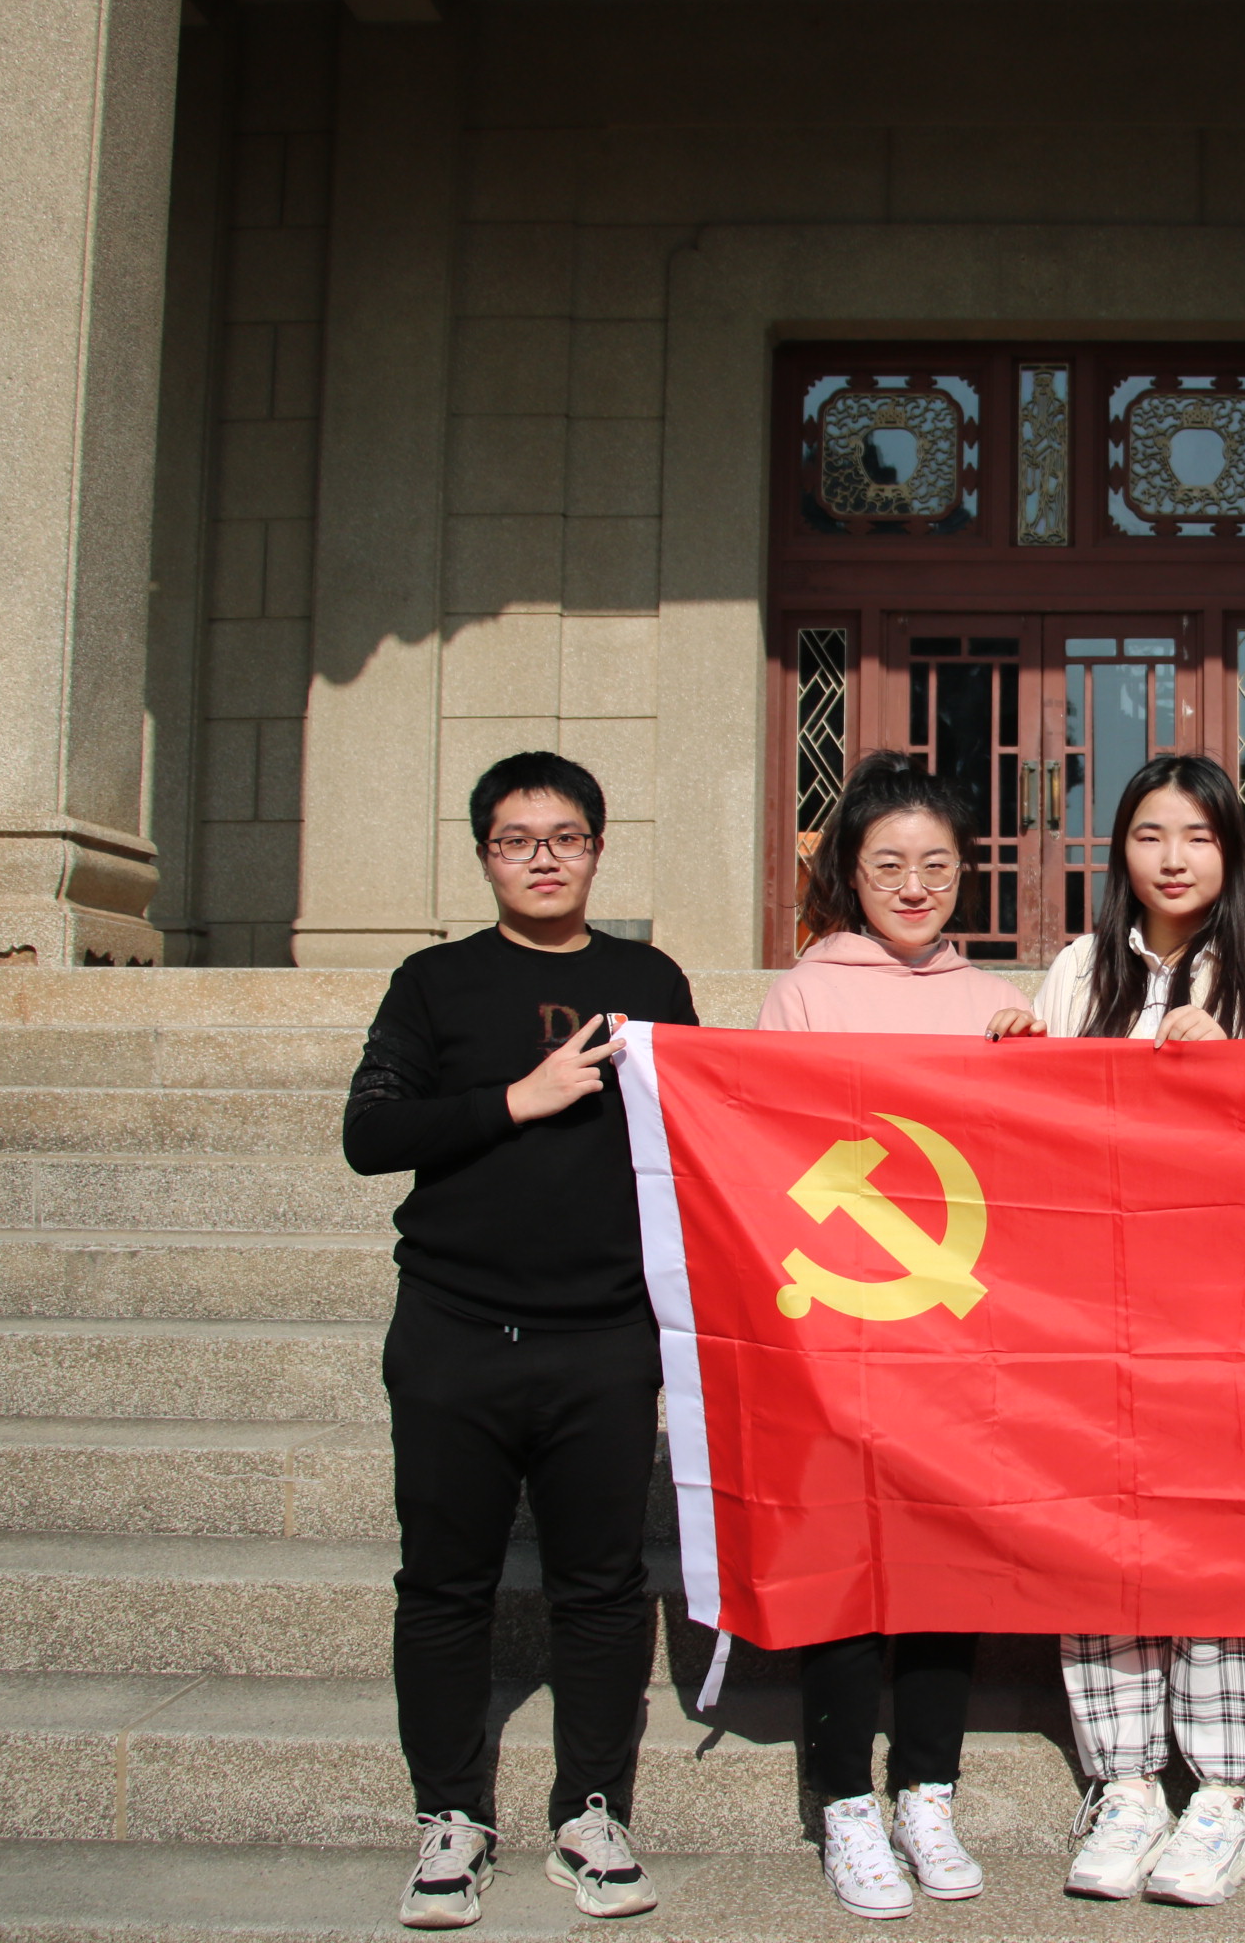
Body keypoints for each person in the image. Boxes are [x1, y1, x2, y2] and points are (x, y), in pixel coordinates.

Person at [344, 751, 700, 1930]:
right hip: (454, 1329)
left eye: (564, 837)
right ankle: (451, 1817)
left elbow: (702, 1129)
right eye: (516, 839)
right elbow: (370, 1133)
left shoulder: (648, 979)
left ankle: (592, 1813)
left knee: (601, 1585)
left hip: (602, 1337)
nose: (542, 858)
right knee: (445, 1582)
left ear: (597, 848)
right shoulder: (434, 982)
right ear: (485, 854)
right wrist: (517, 1097)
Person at [985, 752, 1245, 1908]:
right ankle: (1125, 1781)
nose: (1173, 858)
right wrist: (1015, 1058)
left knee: (1220, 1536)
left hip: (1230, 1313)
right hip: (1092, 1307)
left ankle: (1222, 1793)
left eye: (1197, 834)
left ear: (1233, 848)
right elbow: (1028, 1145)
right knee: (1103, 1531)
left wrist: (1238, 1078)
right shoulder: (1079, 972)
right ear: (1118, 848)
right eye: (1148, 834)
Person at [755, 753, 1019, 1918]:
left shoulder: (992, 1000)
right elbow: (763, 1146)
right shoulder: (806, 994)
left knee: (942, 1569)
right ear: (849, 875)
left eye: (937, 865)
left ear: (967, 871)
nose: (915, 886)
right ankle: (846, 1803)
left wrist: (1034, 1061)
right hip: (843, 1335)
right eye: (889, 865)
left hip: (956, 1344)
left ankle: (927, 1788)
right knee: (849, 1571)